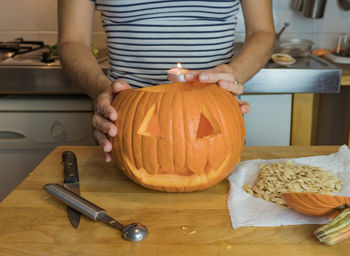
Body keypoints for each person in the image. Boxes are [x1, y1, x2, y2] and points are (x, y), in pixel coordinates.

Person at [58, 0, 275, 162]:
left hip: (212, 122)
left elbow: (262, 32)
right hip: (127, 122)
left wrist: (233, 74)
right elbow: (72, 41)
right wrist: (101, 89)